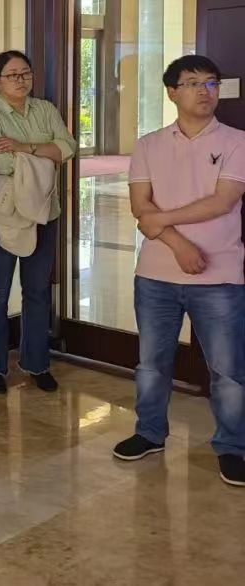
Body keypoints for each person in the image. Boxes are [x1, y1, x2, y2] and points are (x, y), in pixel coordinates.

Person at [115, 55, 245, 487]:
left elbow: (223, 201)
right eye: (192, 83)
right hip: (155, 276)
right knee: (151, 364)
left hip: (220, 276)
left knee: (228, 371)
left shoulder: (236, 142)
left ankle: (232, 446)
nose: (204, 91)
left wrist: (162, 222)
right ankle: (150, 433)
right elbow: (140, 206)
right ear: (172, 92)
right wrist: (180, 244)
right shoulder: (149, 145)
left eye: (211, 83)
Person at [0, 50, 76, 394]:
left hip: (44, 209)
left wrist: (25, 147)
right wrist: (45, 153)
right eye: (12, 75)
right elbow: (1, 162)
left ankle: (36, 363)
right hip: (3, 209)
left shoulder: (45, 109)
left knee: (37, 289)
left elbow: (67, 147)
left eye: (26, 73)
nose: (20, 80)